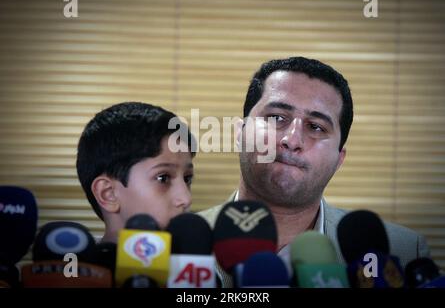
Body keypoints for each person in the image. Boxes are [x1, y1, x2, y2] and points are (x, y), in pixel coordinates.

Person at [198, 56, 430, 287]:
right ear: (240, 133)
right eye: (277, 117)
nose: (292, 140)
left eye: (316, 127)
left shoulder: (403, 251)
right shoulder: (179, 247)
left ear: (339, 159)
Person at [76, 102, 196, 243]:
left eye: (187, 179)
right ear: (108, 194)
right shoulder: (70, 264)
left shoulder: (203, 263)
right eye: (163, 178)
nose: (186, 199)